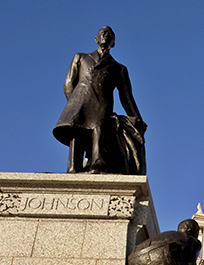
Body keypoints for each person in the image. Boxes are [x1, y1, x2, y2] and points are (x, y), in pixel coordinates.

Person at [53, 26, 147, 174]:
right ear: (96, 39)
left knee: (99, 129)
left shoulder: (119, 68)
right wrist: (74, 104)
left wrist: (138, 120)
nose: (105, 35)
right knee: (76, 133)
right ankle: (73, 168)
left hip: (102, 106)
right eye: (102, 33)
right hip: (80, 104)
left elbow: (126, 97)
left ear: (113, 43)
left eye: (109, 34)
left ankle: (97, 165)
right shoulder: (81, 57)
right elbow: (68, 84)